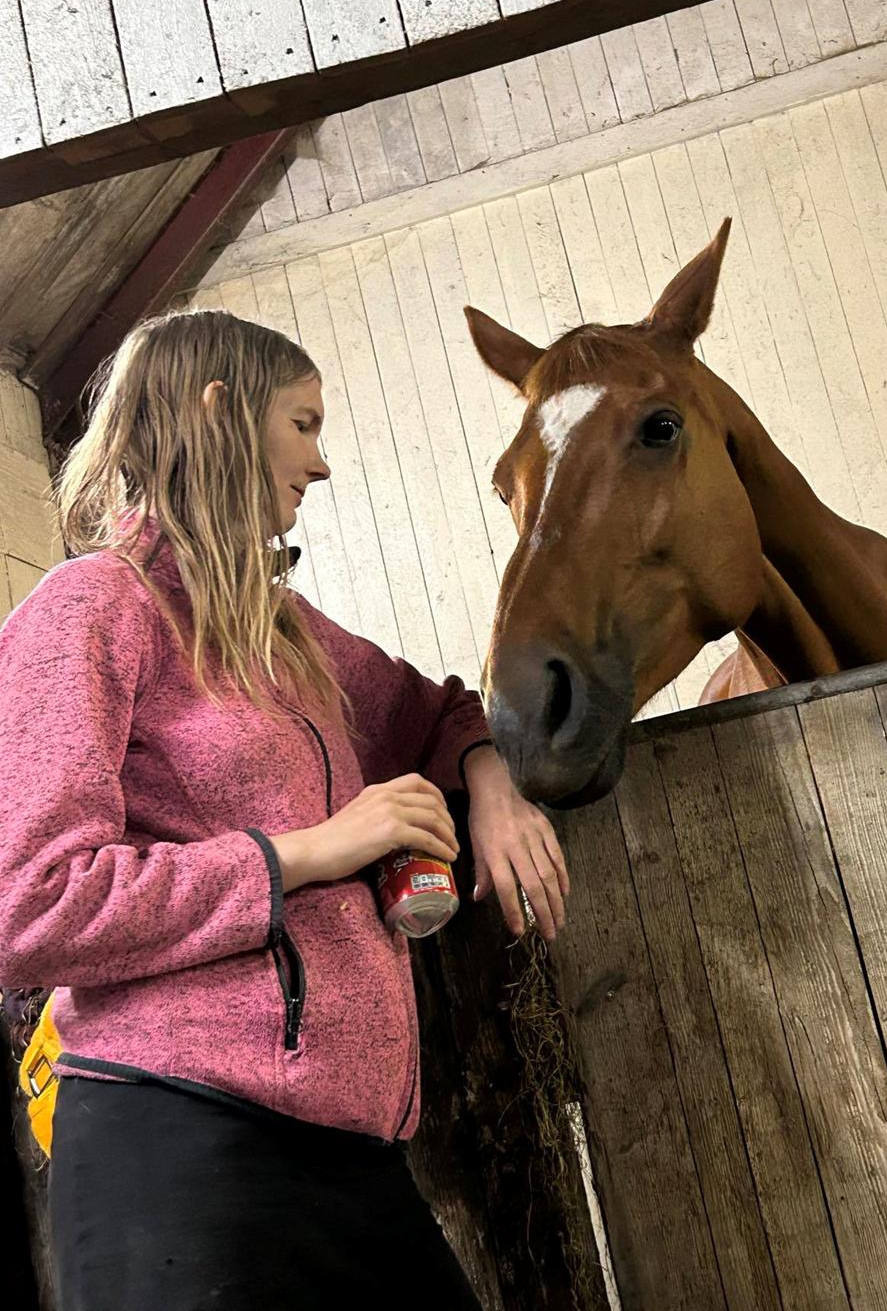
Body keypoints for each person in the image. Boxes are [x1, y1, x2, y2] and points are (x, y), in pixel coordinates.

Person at [0, 310, 569, 1310]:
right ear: (218, 413)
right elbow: (31, 905)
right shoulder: (92, 609)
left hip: (351, 1155)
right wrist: (303, 854)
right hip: (175, 1142)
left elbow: (436, 709)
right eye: (302, 423)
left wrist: (492, 785)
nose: (322, 463)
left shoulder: (287, 634)